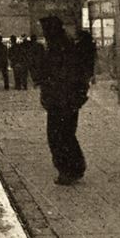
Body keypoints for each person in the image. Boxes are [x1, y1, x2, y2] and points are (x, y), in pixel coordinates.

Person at [37, 16, 90, 185]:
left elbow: (56, 75)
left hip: (61, 99)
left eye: (45, 30)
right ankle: (74, 167)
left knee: (57, 136)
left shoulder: (58, 49)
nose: (44, 34)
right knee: (66, 134)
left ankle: (67, 170)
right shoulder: (65, 45)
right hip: (67, 99)